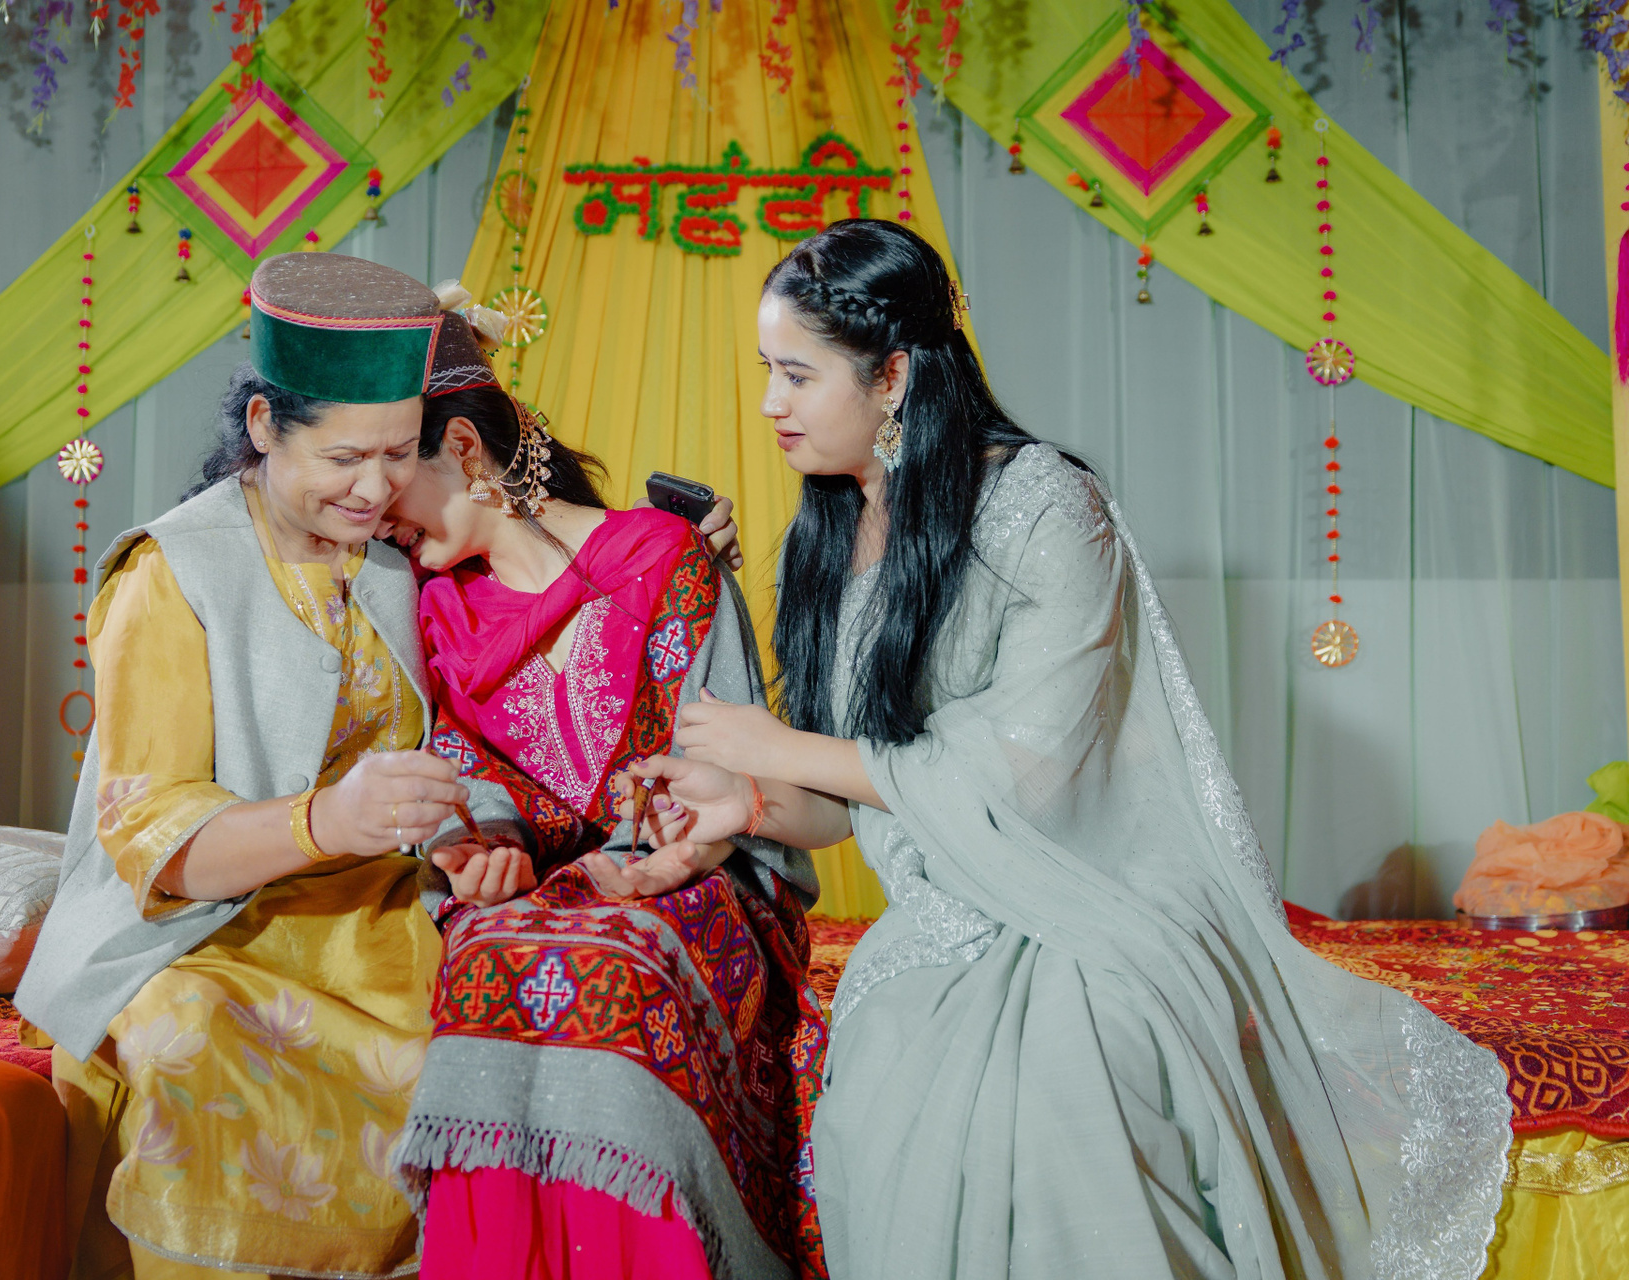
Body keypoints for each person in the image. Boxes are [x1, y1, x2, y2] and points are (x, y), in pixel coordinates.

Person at [622, 220, 1513, 1280]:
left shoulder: (1043, 504)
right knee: (890, 1060)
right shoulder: (826, 535)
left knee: (1058, 1089)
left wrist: (786, 746)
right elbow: (859, 796)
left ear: (892, 376)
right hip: (946, 911)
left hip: (1092, 894)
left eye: (798, 375)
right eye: (768, 370)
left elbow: (1028, 773)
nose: (771, 402)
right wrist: (750, 802)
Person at [15, 253, 520, 1280]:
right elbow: (154, 836)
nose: (375, 487)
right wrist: (330, 819)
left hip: (382, 925)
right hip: (198, 934)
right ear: (261, 426)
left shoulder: (397, 555)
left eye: (398, 453)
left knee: (500, 1042)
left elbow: (467, 742)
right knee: (189, 1038)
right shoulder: (170, 572)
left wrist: (474, 831)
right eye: (344, 457)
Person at [383, 315, 830, 1279]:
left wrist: (676, 844)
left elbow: (734, 762)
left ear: (463, 447)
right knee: (487, 957)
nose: (376, 508)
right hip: (547, 885)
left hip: (704, 874)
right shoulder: (438, 612)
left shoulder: (662, 556)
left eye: (392, 473)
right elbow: (466, 771)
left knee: (616, 965)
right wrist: (486, 844)